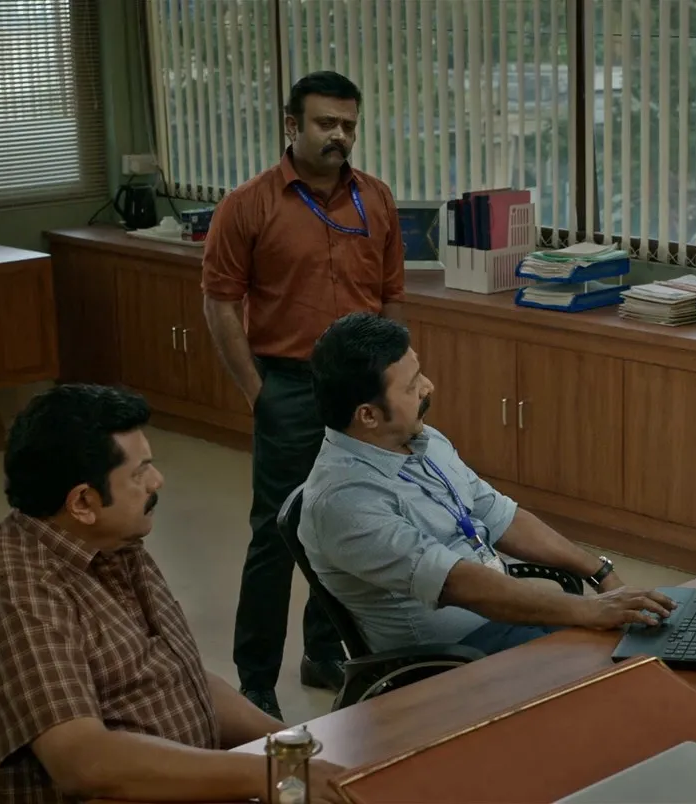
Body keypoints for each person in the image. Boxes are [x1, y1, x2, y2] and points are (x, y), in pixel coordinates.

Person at [0, 384, 345, 803]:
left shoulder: (113, 543)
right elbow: (84, 762)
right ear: (82, 502)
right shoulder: (14, 596)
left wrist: (297, 749)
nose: (156, 481)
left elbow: (182, 680)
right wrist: (269, 774)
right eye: (139, 472)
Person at [201, 70, 406, 717]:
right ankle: (256, 678)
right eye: (325, 123)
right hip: (288, 383)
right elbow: (220, 303)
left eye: (348, 125)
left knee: (351, 521)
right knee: (277, 533)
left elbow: (391, 296)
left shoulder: (376, 198)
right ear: (292, 125)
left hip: (362, 390)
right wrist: (257, 391)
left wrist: (394, 382)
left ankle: (324, 650)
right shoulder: (249, 204)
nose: (338, 135)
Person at [295, 313, 676, 656]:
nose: (429, 387)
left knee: (650, 643)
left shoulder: (421, 439)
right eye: (412, 386)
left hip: (503, 616)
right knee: (615, 670)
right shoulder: (344, 501)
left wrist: (600, 573)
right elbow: (457, 583)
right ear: (368, 415)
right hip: (453, 656)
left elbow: (501, 516)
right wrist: (588, 610)